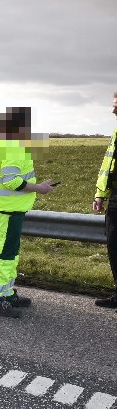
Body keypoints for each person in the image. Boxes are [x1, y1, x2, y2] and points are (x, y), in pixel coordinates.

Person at [0, 107, 55, 318]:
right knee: (2, 255)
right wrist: (40, 188)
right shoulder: (13, 147)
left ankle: (6, 292)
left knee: (9, 255)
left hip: (6, 209)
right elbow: (11, 181)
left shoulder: (0, 144)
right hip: (7, 211)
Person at [92, 92, 117, 309]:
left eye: (116, 105)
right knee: (114, 246)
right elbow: (108, 167)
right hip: (115, 200)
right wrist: (100, 194)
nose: (113, 110)